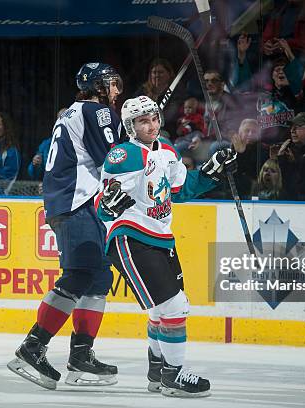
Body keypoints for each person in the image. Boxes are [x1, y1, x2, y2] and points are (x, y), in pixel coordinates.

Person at [97, 95, 237, 397]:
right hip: (130, 236)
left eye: (154, 118)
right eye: (142, 120)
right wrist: (108, 204)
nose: (151, 125)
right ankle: (174, 376)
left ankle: (158, 371)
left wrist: (212, 172)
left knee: (163, 310)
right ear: (130, 127)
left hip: (161, 238)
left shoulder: (169, 152)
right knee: (174, 306)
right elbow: (102, 200)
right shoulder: (124, 155)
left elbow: (181, 190)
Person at [8, 63, 123, 390]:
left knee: (99, 277)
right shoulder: (98, 112)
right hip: (77, 203)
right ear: (98, 87)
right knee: (79, 274)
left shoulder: (75, 112)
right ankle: (32, 347)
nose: (117, 91)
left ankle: (81, 355)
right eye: (112, 85)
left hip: (75, 203)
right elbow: (112, 160)